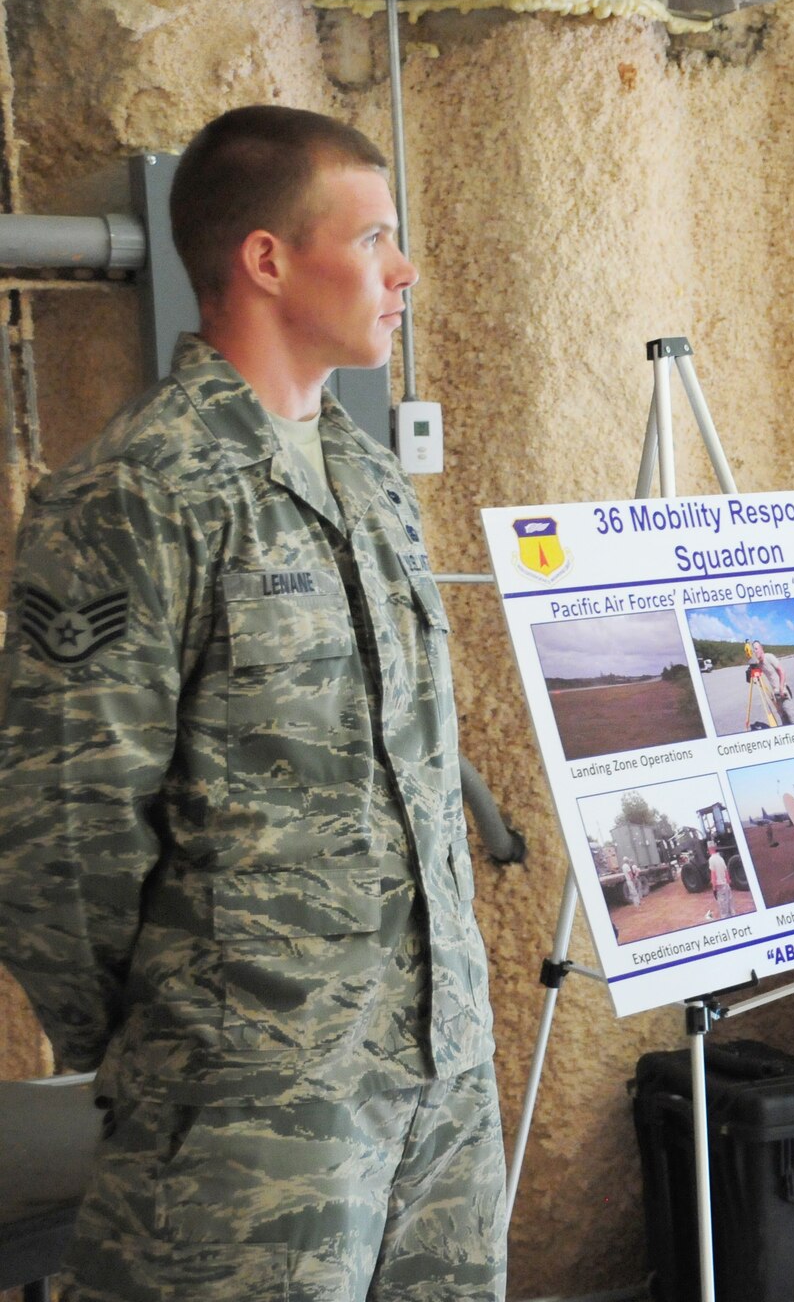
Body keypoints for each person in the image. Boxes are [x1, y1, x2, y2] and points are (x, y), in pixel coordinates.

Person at [0, 106, 502, 1300]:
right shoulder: (139, 489)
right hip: (248, 1106)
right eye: (373, 237)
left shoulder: (368, 477)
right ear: (267, 259)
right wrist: (173, 1045)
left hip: (436, 1071)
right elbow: (62, 834)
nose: (403, 269)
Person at [709, 842, 735, 919]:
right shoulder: (720, 858)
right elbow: (726, 871)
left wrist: (714, 887)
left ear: (709, 849)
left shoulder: (711, 859)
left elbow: (713, 874)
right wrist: (728, 882)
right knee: (730, 907)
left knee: (723, 910)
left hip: (720, 886)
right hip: (726, 885)